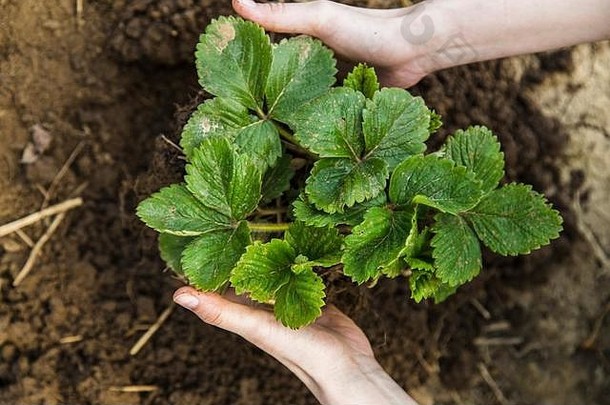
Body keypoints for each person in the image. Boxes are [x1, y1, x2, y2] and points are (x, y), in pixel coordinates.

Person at [173, 1, 610, 403]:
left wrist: (353, 378)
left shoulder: (407, 213)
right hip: (345, 173)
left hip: (350, 198)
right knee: (313, 185)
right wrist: (415, 37)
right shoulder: (386, 156)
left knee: (329, 203)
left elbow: (336, 217)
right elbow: (324, 196)